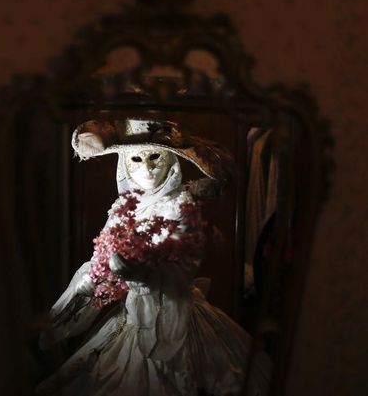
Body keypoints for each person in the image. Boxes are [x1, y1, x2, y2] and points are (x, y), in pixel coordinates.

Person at [36, 119, 269, 396]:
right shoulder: (123, 207)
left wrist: (142, 274)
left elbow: (184, 260)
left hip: (171, 315)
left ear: (170, 158)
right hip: (130, 317)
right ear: (125, 162)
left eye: (154, 156)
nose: (146, 167)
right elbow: (105, 255)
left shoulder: (180, 203)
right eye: (136, 158)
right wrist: (93, 280)